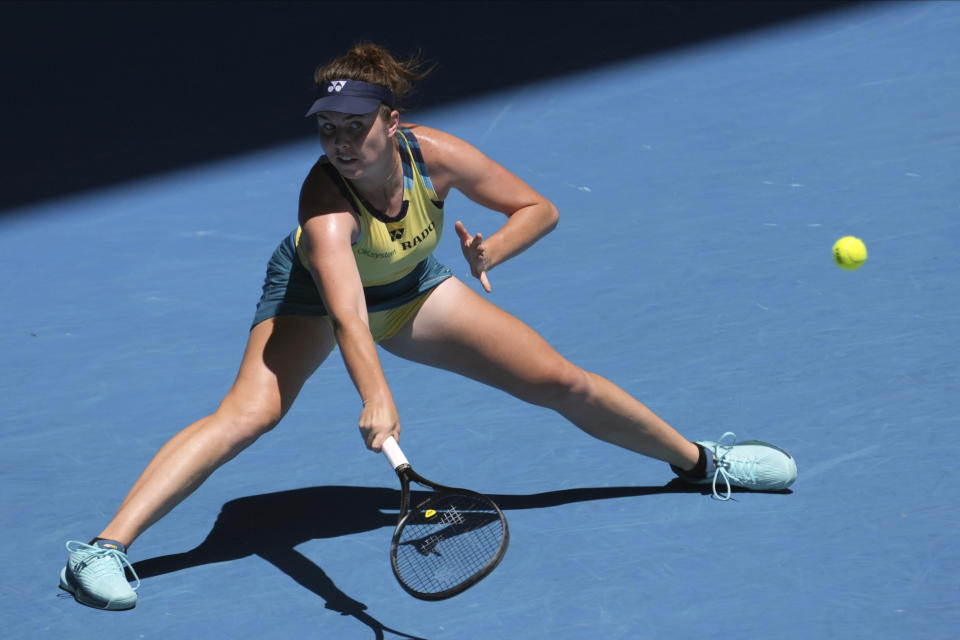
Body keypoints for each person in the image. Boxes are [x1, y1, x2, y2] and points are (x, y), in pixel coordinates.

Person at [59, 43, 797, 611]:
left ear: (393, 123)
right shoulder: (324, 206)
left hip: (413, 287)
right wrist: (376, 397)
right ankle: (99, 550)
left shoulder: (435, 158)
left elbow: (538, 208)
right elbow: (348, 313)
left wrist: (491, 249)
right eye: (328, 131)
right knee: (249, 415)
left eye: (356, 128)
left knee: (560, 380)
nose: (342, 144)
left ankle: (702, 464)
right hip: (319, 297)